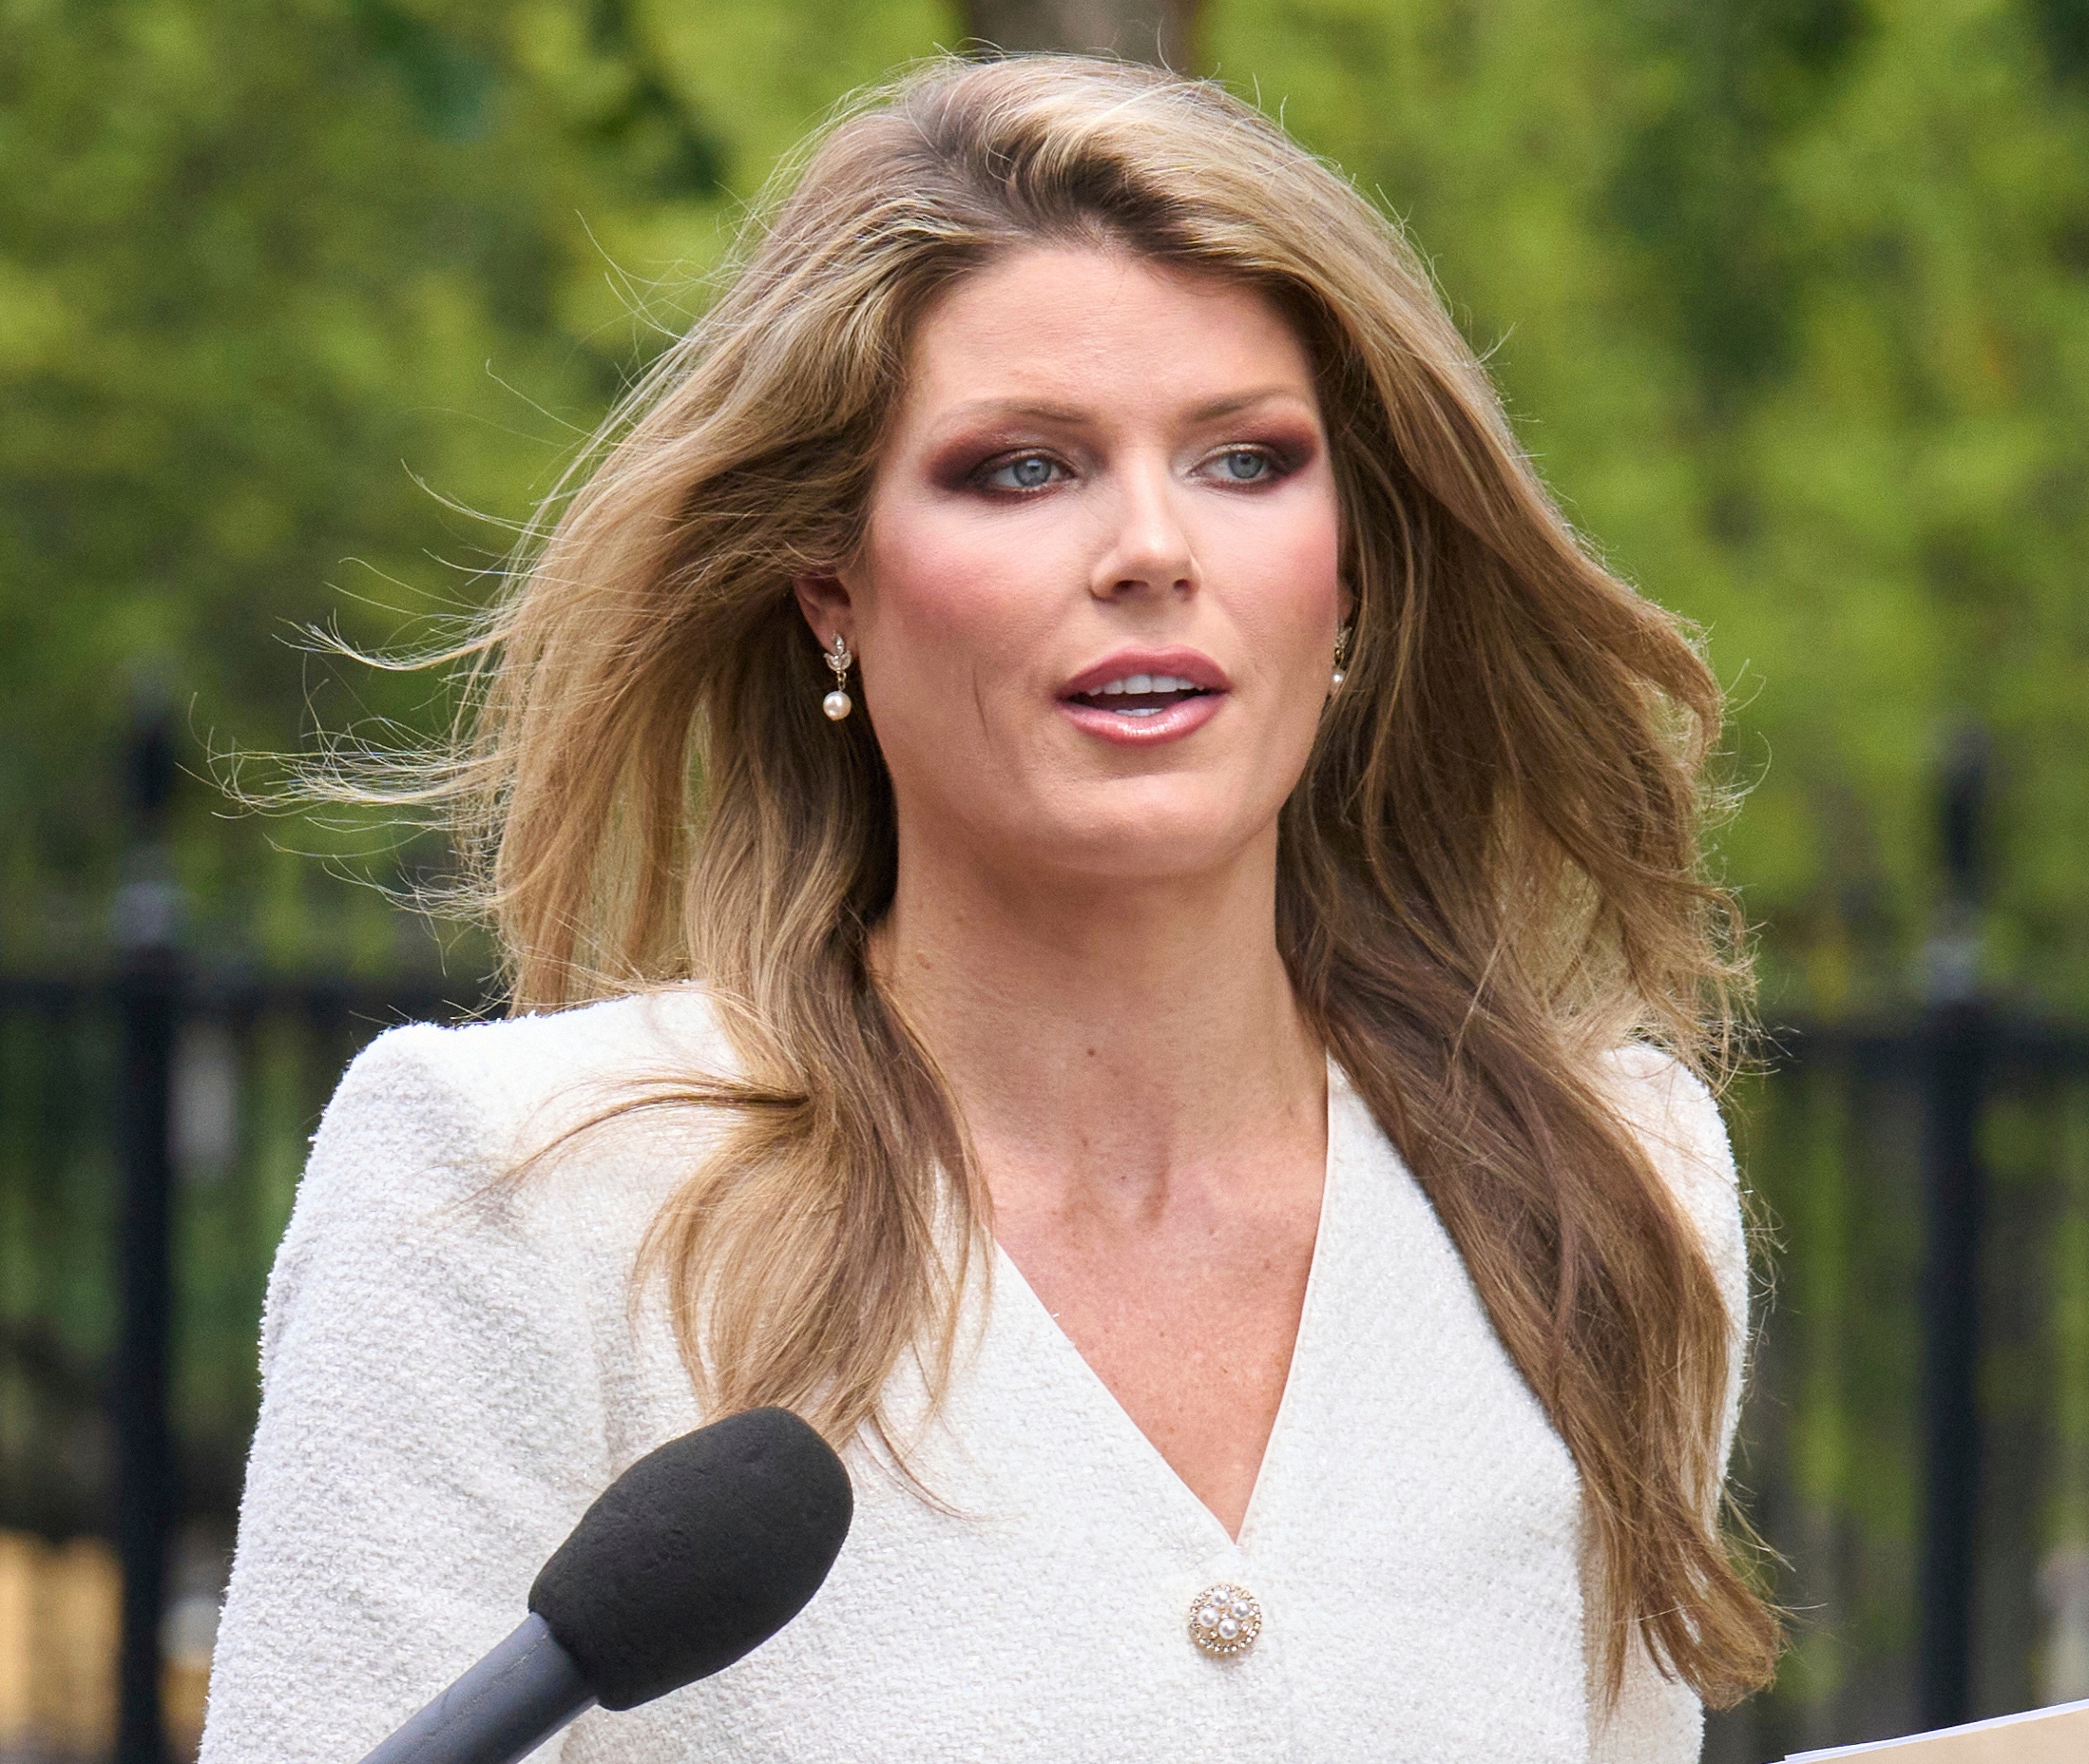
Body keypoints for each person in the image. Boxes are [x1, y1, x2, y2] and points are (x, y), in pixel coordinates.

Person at [200, 53, 1779, 1764]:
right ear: (831, 588)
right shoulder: (517, 1195)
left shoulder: (1613, 1184)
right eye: (1023, 470)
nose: (1153, 549)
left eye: (1248, 461)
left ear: (1355, 569)